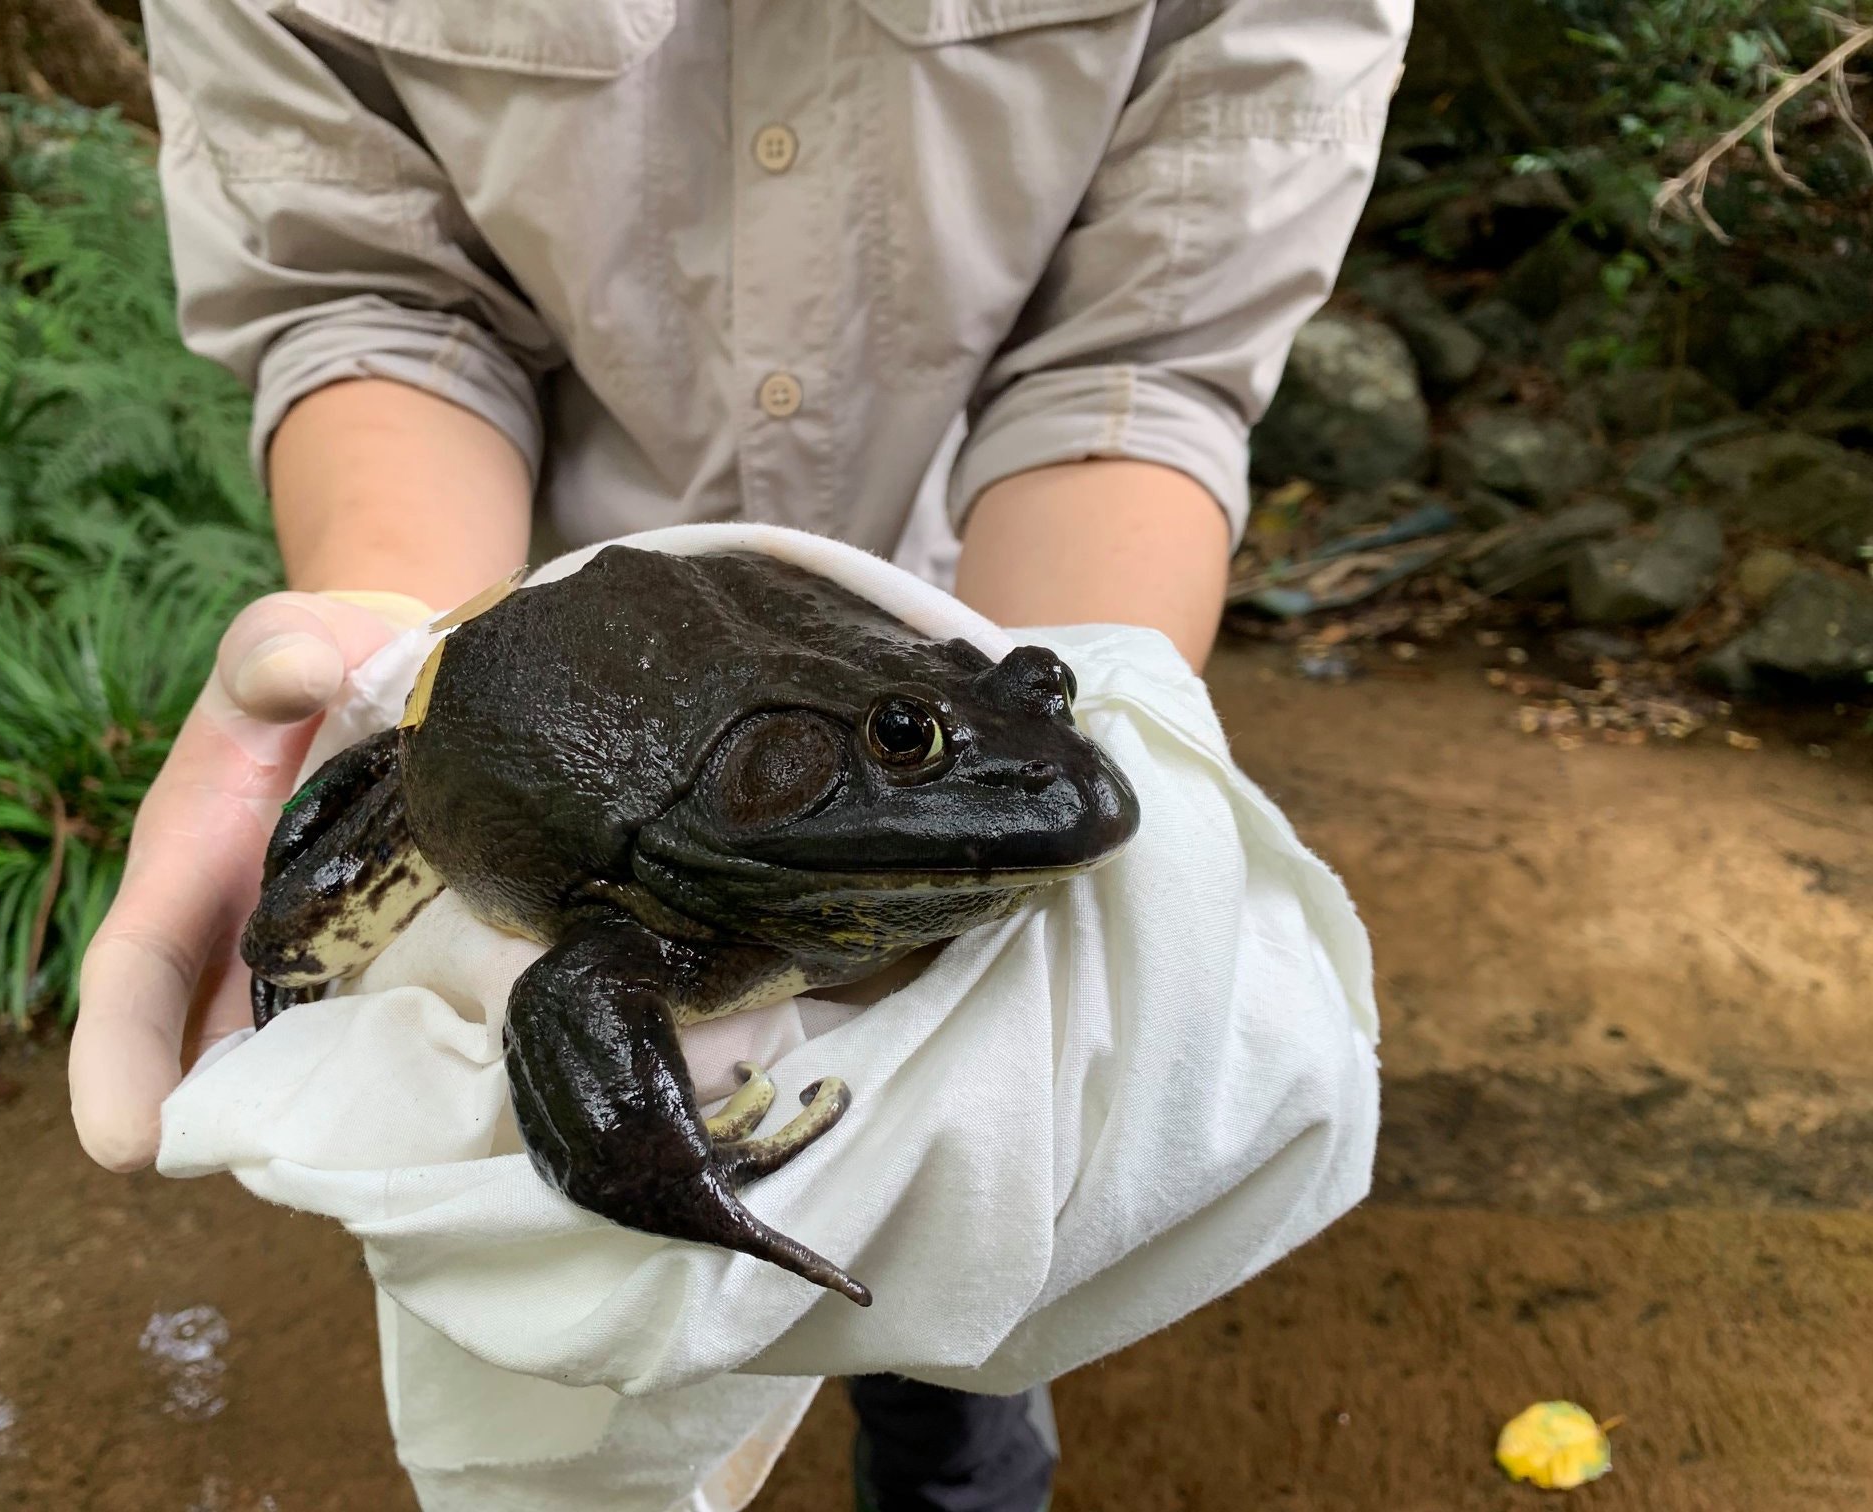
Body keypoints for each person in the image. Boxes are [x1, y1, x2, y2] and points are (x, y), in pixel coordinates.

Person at [69, 1, 1410, 1506]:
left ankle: (957, 1446)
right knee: (435, 1054)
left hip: (947, 604)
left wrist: (1032, 700)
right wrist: (375, 636)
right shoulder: (671, 921)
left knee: (982, 1220)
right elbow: (375, 301)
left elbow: (1142, 360)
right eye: (915, 753)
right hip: (519, 635)